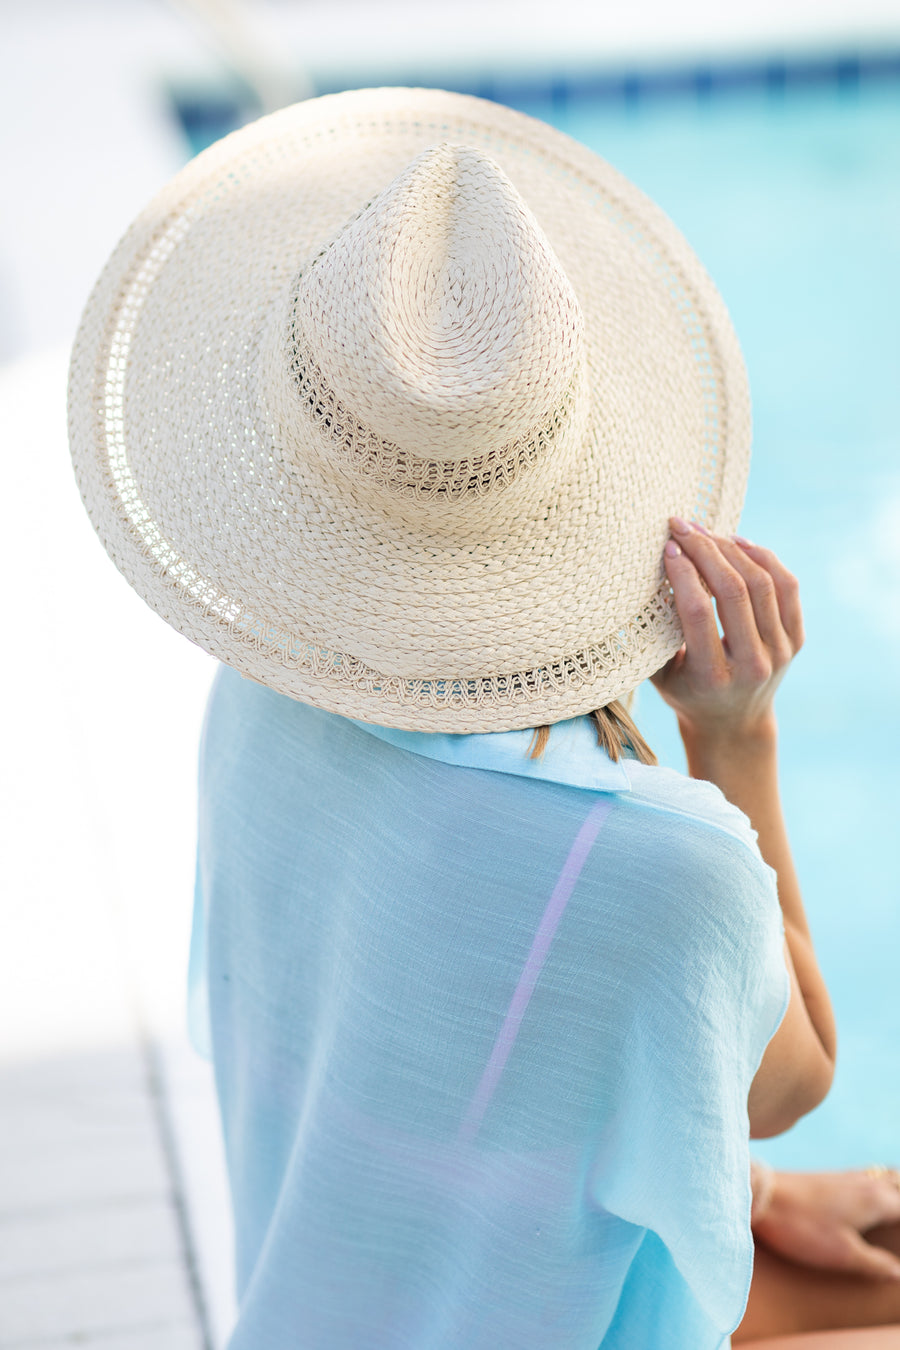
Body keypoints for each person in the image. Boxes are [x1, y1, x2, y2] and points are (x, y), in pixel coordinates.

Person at [67, 87, 898, 1348]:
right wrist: (739, 735)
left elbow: (439, 1113)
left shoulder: (264, 706)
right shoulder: (660, 869)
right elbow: (793, 1079)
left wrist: (764, 1200)